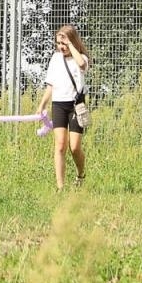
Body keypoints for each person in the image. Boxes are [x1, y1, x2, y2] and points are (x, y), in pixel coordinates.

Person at [38, 24, 91, 191]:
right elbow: (50, 86)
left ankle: (81, 174)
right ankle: (60, 188)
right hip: (59, 104)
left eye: (64, 44)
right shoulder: (55, 59)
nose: (61, 47)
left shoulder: (81, 58)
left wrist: (71, 46)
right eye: (58, 43)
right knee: (60, 145)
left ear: (72, 42)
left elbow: (82, 65)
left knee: (74, 147)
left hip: (76, 105)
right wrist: (42, 105)